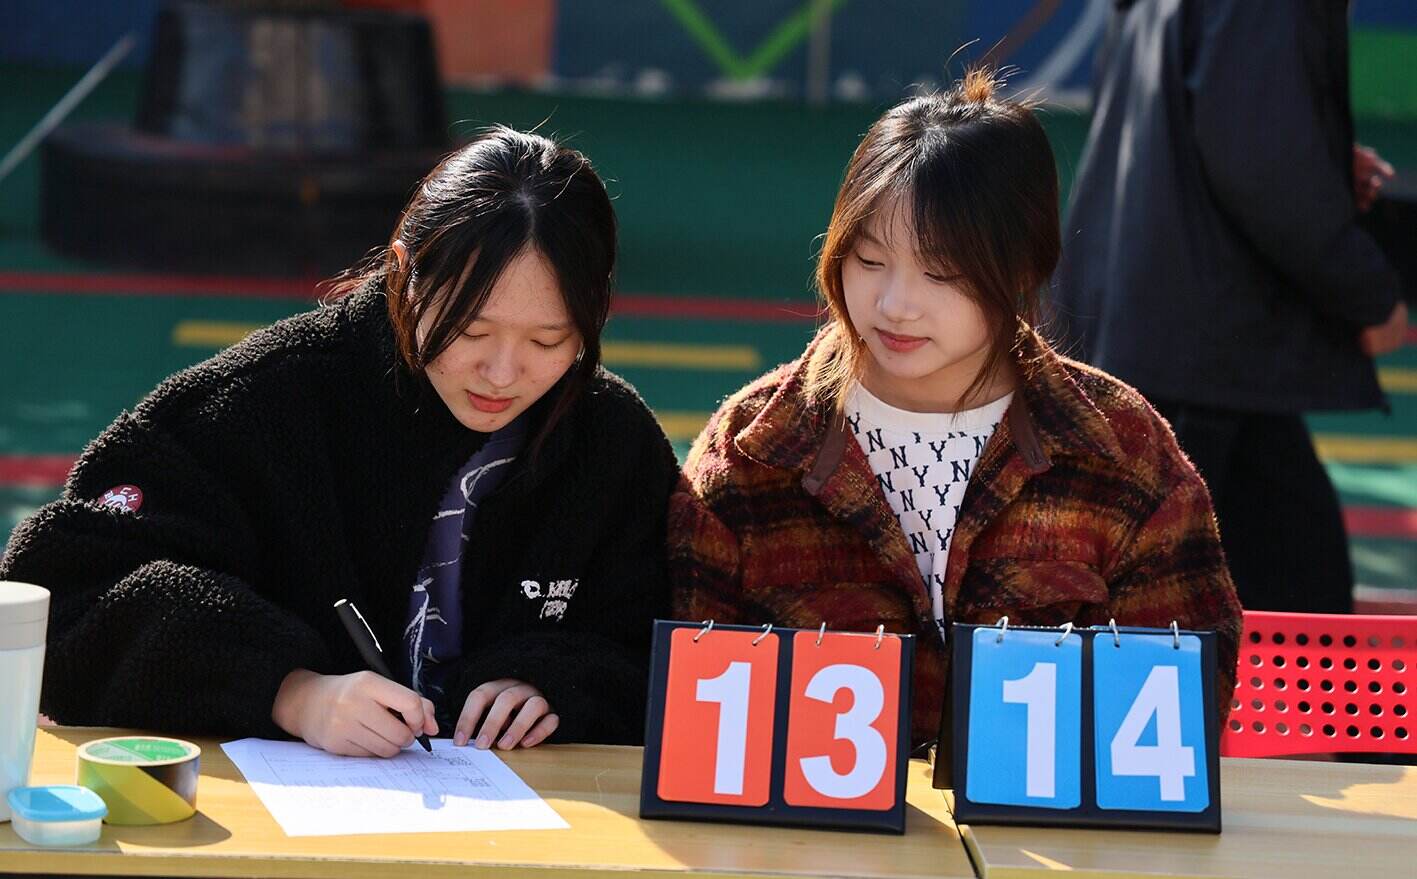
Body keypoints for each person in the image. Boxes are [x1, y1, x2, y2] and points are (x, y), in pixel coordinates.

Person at [1, 128, 680, 756]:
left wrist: (554, 683)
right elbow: (63, 593)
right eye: (470, 330)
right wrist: (290, 690)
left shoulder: (611, 441)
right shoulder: (265, 400)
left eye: (548, 340)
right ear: (402, 272)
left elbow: (664, 645)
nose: (502, 373)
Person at [667, 72, 1243, 747]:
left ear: (1023, 267)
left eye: (940, 273)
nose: (895, 304)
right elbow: (690, 696)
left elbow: (1185, 690)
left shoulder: (1120, 448)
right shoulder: (753, 447)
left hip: (1043, 821)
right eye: (869, 260)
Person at [1051, 0, 1407, 614]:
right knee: (1284, 605)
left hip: (1168, 339)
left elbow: (1214, 118)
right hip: (1205, 350)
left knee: (1285, 596)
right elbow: (1262, 166)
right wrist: (1369, 296)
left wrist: (1311, 143)